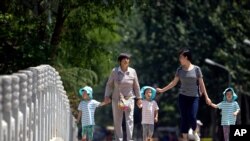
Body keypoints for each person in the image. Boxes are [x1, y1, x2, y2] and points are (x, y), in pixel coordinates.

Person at [156, 48, 211, 141]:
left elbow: (202, 84)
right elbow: (173, 83)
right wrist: (162, 90)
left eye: (181, 57)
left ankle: (194, 131)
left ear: (186, 57)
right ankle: (185, 138)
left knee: (192, 116)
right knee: (184, 118)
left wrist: (207, 97)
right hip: (183, 97)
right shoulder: (179, 70)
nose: (179, 59)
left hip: (194, 97)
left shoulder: (197, 69)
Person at [104, 53, 142, 141]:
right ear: (120, 61)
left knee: (129, 119)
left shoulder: (132, 71)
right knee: (117, 121)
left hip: (129, 98)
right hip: (117, 99)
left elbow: (136, 86)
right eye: (124, 59)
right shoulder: (114, 71)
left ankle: (129, 139)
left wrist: (139, 98)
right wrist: (106, 96)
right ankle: (119, 139)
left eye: (128, 59)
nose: (126, 60)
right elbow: (109, 85)